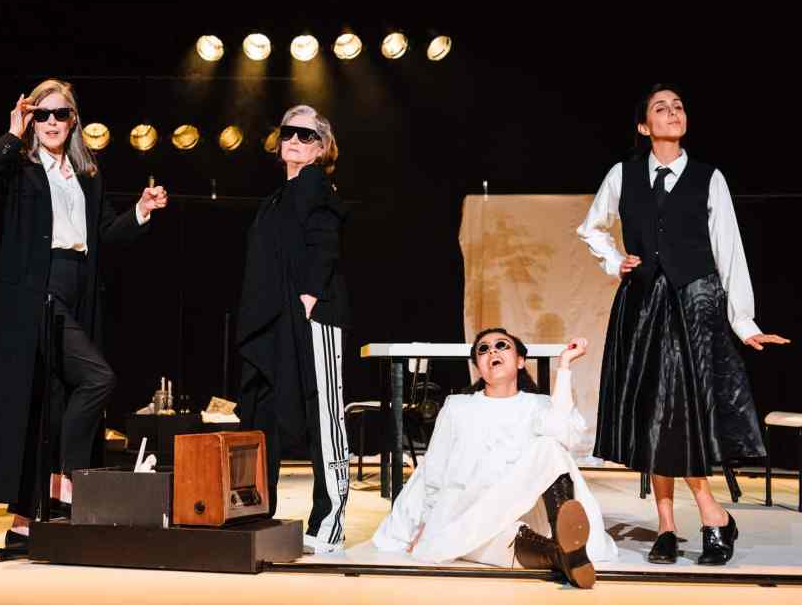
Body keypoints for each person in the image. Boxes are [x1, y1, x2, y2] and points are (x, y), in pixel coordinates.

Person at [577, 83, 790, 565]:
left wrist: (743, 321)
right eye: (661, 108)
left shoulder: (708, 177)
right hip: (643, 306)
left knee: (681, 413)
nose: (672, 112)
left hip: (695, 304)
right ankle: (669, 527)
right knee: (654, 410)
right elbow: (592, 227)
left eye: (678, 106)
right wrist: (614, 261)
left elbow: (728, 249)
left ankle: (711, 515)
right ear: (643, 126)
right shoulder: (624, 174)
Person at [0, 79, 168, 551]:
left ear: (74, 119)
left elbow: (105, 235)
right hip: (37, 291)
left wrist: (140, 210)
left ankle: (23, 525)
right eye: (42, 115)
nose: (51, 122)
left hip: (79, 289)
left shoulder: (86, 173)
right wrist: (13, 132)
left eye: (60, 114)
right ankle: (66, 480)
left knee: (50, 403)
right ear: (32, 119)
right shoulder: (20, 166)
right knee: (96, 378)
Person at [373, 328, 616, 589]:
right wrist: (426, 522)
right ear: (478, 366)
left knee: (551, 446)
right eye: (483, 349)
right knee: (481, 538)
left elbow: (564, 433)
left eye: (502, 345)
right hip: (472, 506)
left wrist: (565, 365)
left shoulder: (539, 404)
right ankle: (565, 556)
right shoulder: (458, 406)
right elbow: (435, 468)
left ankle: (562, 534)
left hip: (522, 504)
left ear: (520, 361)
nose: (492, 351)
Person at [237, 104, 350, 554]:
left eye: (307, 136)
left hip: (311, 313)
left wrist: (310, 295)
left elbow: (327, 236)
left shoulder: (316, 183)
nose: (295, 142)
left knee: (324, 413)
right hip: (273, 318)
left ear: (322, 147)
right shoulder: (277, 198)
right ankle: (256, 511)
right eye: (288, 133)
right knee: (262, 413)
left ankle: (329, 524)